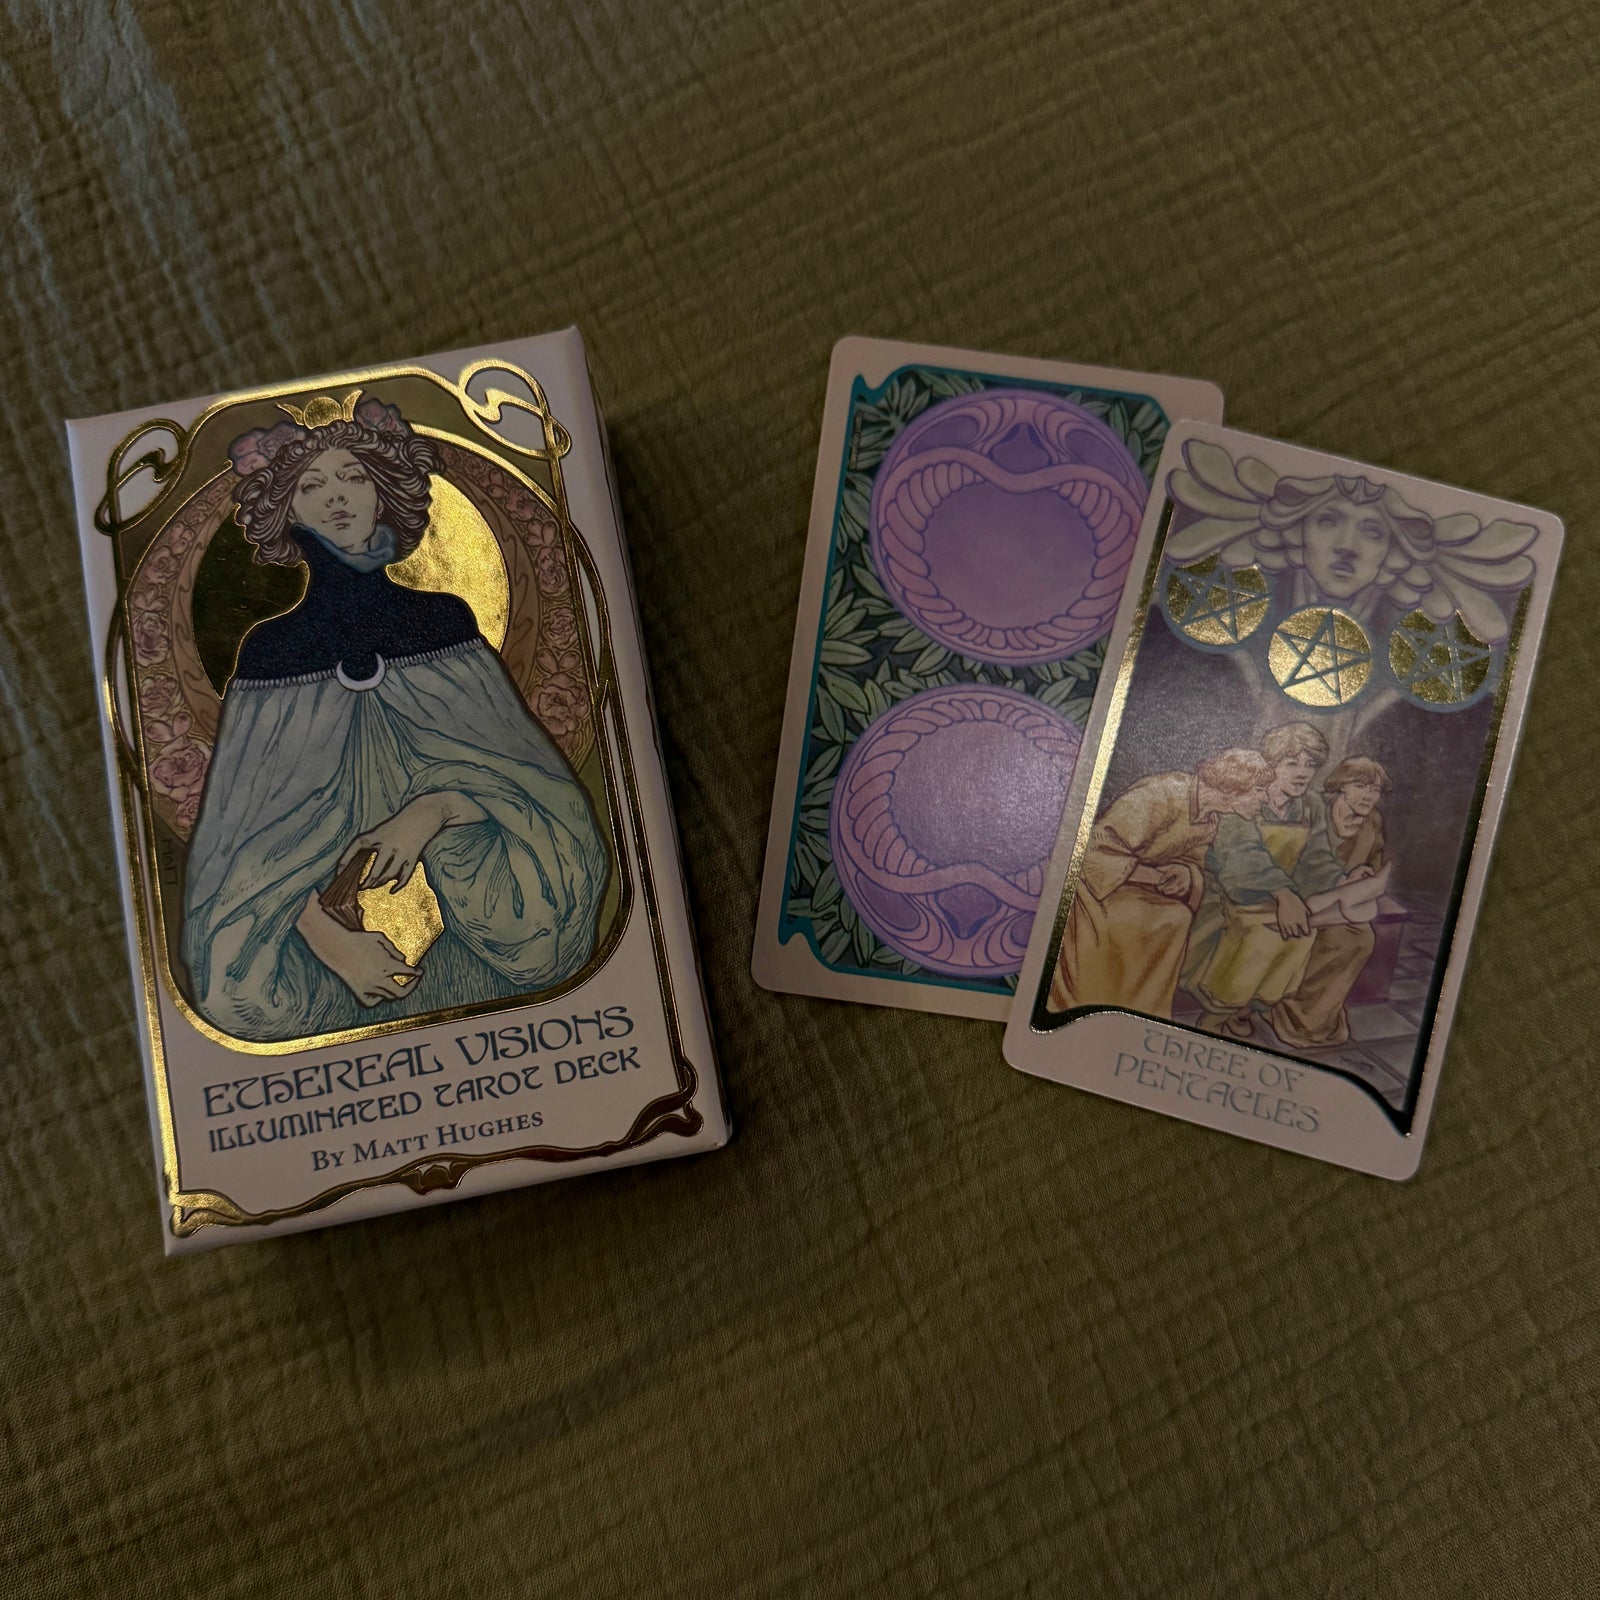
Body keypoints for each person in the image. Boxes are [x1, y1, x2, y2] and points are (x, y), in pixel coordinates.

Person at [181, 394, 608, 1043]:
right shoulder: (271, 655)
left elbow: (534, 794)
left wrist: (431, 811)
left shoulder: (442, 624)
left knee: (543, 924)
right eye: (311, 485)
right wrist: (332, 940)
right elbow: (244, 853)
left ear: (384, 494)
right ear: (287, 510)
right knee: (236, 991)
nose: (337, 497)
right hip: (312, 917)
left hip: (470, 883)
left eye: (354, 477)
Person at [1049, 748, 1273, 1018]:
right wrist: (1156, 877)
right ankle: (1100, 997)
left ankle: (1140, 1007)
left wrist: (1185, 872)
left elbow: (1192, 860)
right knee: (1163, 919)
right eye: (1260, 789)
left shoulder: (1209, 819)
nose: (1265, 797)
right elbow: (1096, 850)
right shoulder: (1162, 794)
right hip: (1096, 889)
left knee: (1177, 917)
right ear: (1235, 787)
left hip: (1138, 889)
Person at [1183, 722, 1345, 1039]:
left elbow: (1317, 857)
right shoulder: (1246, 795)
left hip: (1284, 896)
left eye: (1310, 765)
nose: (1303, 773)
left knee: (1303, 933)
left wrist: (1341, 880)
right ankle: (1217, 1013)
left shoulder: (1311, 804)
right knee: (1262, 931)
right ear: (1271, 764)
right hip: (1231, 893)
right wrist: (1282, 893)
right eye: (1292, 763)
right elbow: (1239, 854)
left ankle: (1246, 1008)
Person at [1269, 757, 1392, 1048]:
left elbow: (1375, 867)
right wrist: (1341, 883)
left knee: (1361, 934)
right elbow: (1294, 856)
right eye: (1360, 786)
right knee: (1352, 925)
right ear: (1341, 786)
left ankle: (1311, 1018)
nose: (1368, 796)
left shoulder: (1372, 823)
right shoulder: (1314, 807)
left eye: (1375, 790)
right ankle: (1297, 1016)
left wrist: (1360, 876)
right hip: (1296, 891)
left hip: (1338, 901)